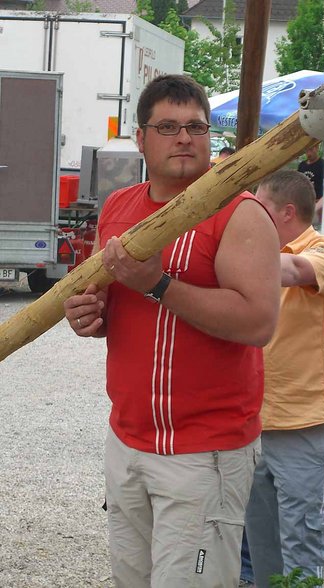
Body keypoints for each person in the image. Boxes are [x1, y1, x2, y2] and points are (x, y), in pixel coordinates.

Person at [62, 74, 281, 588]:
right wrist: (86, 319)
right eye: (168, 126)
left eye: (196, 127)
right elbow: (108, 310)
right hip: (128, 440)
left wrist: (159, 283)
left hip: (204, 452)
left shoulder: (240, 212)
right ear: (141, 139)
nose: (185, 137)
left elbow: (257, 323)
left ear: (210, 137)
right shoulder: (117, 209)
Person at [245, 170, 324, 586]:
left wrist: (233, 249)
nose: (251, 219)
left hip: (305, 421)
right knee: (262, 539)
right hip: (256, 420)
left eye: (260, 210)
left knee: (303, 538)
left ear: (288, 212)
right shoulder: (263, 253)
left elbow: (290, 271)